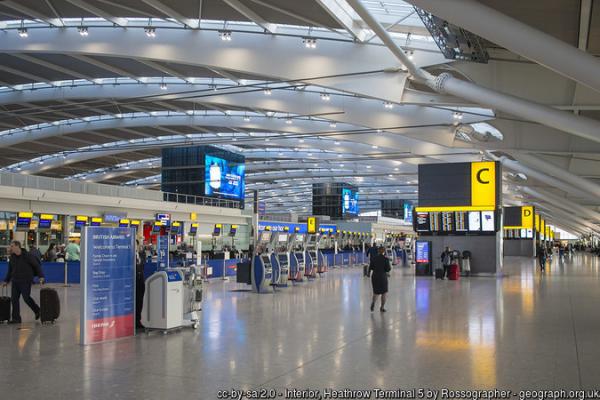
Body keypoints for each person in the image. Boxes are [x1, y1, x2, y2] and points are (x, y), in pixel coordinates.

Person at [2, 240, 45, 324]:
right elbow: (10, 270)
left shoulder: (28, 256)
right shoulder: (12, 257)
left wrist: (41, 276)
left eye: (12, 246)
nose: (10, 248)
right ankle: (16, 319)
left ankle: (37, 310)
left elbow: (37, 266)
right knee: (14, 299)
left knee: (26, 298)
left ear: (17, 246)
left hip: (25, 280)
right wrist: (6, 280)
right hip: (15, 281)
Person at [368, 247, 391, 312]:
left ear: (378, 251)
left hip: (375, 276)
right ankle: (382, 307)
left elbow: (370, 267)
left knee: (376, 292)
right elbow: (388, 269)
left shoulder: (374, 258)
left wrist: (368, 273)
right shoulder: (385, 259)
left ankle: (373, 302)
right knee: (384, 293)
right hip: (382, 277)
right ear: (384, 251)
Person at [135, 240, 146, 329]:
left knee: (140, 302)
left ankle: (138, 321)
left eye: (136, 245)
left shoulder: (141, 255)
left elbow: (142, 266)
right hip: (133, 281)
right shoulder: (128, 255)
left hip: (140, 281)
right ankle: (133, 321)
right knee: (134, 302)